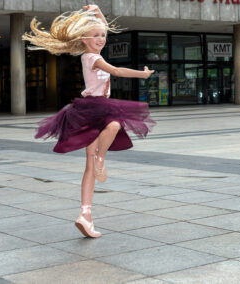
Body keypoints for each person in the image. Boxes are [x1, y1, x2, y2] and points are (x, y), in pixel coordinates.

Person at [23, 4, 156, 238]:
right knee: (115, 125)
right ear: (84, 40)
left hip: (95, 108)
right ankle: (101, 158)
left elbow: (102, 27)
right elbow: (116, 71)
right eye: (96, 36)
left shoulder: (95, 51)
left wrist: (97, 12)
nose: (101, 38)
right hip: (94, 108)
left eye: (103, 36)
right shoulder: (92, 57)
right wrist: (142, 74)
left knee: (89, 166)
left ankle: (85, 215)